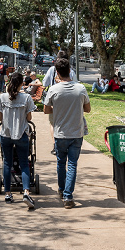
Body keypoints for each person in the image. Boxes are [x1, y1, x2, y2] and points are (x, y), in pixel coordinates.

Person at [43, 57, 91, 209]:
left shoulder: (53, 89)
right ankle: (68, 197)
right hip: (76, 133)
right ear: (70, 71)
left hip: (60, 133)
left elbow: (46, 110)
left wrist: (58, 108)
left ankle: (61, 189)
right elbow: (87, 109)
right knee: (72, 164)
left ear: (56, 73)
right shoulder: (80, 88)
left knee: (60, 162)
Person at [0, 71, 37, 208]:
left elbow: (0, 118)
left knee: (7, 163)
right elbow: (29, 118)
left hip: (5, 134)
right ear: (21, 84)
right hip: (21, 134)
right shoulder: (26, 98)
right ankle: (25, 192)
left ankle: (8, 193)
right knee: (24, 163)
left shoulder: (2, 97)